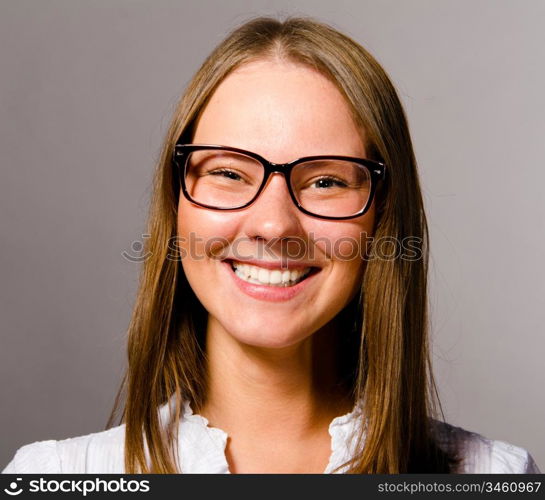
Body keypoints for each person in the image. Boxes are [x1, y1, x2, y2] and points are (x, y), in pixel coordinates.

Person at [2, 16, 540, 474]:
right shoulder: (50, 477)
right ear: (176, 205)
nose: (274, 225)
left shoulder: (495, 477)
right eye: (229, 173)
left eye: (326, 181)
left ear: (383, 217)